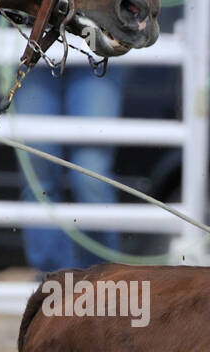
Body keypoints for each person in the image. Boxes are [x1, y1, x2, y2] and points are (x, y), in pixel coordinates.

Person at [17, 61, 125, 270]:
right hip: (35, 45)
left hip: (96, 46)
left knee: (91, 174)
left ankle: (99, 274)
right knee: (38, 169)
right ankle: (53, 277)